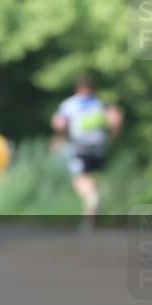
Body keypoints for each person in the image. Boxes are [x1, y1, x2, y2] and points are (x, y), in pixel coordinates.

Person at [51, 74, 122, 217]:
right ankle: (90, 221)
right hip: (99, 146)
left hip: (80, 146)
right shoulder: (100, 103)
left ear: (77, 89)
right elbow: (116, 118)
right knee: (92, 180)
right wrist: (114, 135)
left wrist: (60, 137)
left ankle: (91, 198)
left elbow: (59, 123)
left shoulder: (70, 104)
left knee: (79, 179)